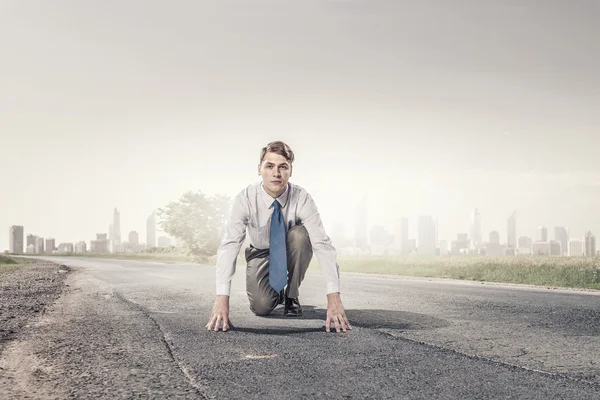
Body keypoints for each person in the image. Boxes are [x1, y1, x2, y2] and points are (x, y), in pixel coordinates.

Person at [205, 140, 352, 334]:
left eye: (283, 167)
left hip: (291, 248)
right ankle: (276, 293)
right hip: (261, 253)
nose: (276, 173)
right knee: (262, 307)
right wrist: (221, 299)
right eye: (270, 166)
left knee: (301, 235)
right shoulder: (245, 199)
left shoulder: (302, 198)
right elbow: (229, 245)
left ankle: (291, 294)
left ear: (290, 170)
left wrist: (334, 297)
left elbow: (322, 244)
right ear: (259, 169)